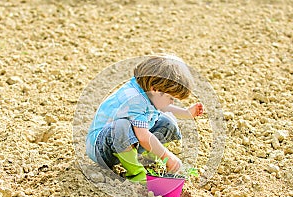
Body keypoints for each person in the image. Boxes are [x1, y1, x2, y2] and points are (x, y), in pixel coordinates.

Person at [86, 55, 204, 183]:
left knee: (167, 122)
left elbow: (162, 106)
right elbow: (143, 136)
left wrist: (186, 113)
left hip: (125, 143)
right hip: (101, 149)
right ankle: (136, 175)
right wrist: (167, 156)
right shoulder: (135, 100)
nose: (172, 102)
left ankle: (147, 162)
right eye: (171, 98)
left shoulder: (148, 91)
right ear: (155, 89)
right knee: (122, 125)